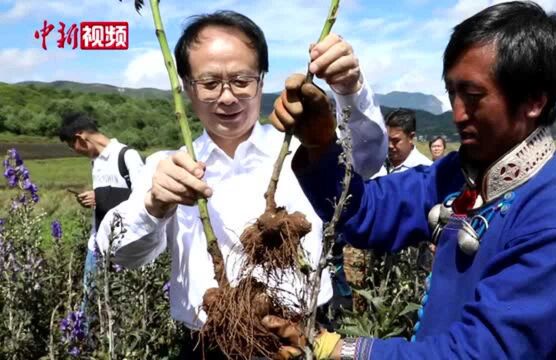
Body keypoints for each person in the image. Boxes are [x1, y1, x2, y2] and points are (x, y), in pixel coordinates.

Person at [264, 2, 556, 359]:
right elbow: (365, 214)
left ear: (534, 101)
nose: (458, 114)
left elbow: (479, 353)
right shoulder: (459, 173)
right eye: (452, 93)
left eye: (474, 97)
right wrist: (321, 145)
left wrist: (339, 350)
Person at [95, 10, 386, 358]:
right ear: (187, 87)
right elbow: (116, 253)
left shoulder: (303, 153)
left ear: (261, 82)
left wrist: (349, 88)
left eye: (241, 80)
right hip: (208, 345)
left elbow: (367, 161)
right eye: (209, 83)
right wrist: (153, 206)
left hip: (299, 339)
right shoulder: (166, 167)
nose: (228, 96)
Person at [57, 112, 145, 313]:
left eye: (72, 146)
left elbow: (144, 197)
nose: (74, 151)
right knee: (91, 300)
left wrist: (101, 197)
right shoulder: (95, 161)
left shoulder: (126, 155)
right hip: (96, 243)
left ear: (80, 137)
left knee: (124, 302)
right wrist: (93, 200)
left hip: (125, 244)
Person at [373, 108, 432, 178]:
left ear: (411, 137)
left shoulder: (425, 171)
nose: (390, 145)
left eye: (396, 141)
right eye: (386, 139)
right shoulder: (376, 164)